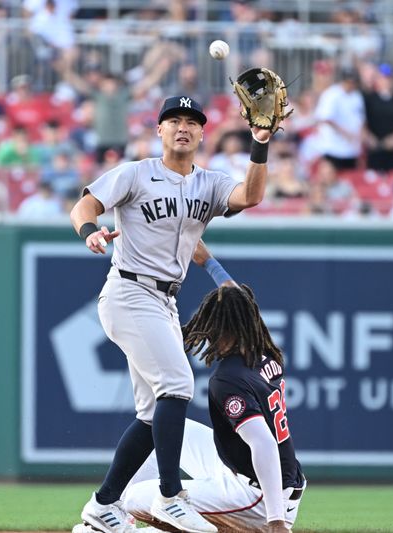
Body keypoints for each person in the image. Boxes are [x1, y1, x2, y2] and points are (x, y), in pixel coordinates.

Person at [69, 95, 274, 533]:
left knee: (150, 414)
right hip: (128, 291)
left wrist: (259, 142)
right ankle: (169, 496)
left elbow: (251, 195)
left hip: (164, 302)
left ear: (202, 133)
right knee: (178, 384)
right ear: (159, 130)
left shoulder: (209, 184)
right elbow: (83, 206)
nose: (183, 127)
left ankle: (103, 507)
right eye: (174, 120)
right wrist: (89, 232)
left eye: (192, 122)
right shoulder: (136, 173)